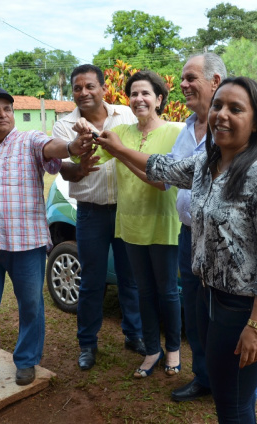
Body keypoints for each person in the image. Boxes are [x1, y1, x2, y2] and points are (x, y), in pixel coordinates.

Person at [87, 77, 257, 423]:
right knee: (226, 394)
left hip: (245, 308)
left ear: (256, 123)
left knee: (235, 402)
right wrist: (118, 148)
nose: (221, 115)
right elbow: (159, 166)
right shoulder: (205, 166)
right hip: (207, 297)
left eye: (235, 109)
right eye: (218, 106)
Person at [0, 85, 97, 393]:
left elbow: (53, 147)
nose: (2, 114)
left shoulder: (28, 140)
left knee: (30, 304)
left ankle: (27, 361)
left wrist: (72, 146)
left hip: (26, 244)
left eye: (7, 109)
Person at [76, 70, 182, 379]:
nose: (139, 99)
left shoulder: (174, 133)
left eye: (146, 93)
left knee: (167, 292)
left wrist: (121, 153)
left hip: (162, 224)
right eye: (134, 94)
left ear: (159, 99)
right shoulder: (122, 131)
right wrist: (82, 136)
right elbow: (92, 155)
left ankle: (173, 348)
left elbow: (163, 179)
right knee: (143, 292)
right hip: (130, 224)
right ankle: (152, 350)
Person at [53, 64, 145, 372]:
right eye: (77, 88)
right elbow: (61, 166)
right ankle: (87, 345)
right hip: (91, 212)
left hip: (125, 209)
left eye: (90, 86)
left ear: (103, 88)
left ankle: (134, 335)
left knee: (130, 278)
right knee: (91, 281)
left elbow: (140, 147)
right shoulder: (65, 125)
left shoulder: (126, 116)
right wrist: (78, 163)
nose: (83, 92)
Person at [168, 53, 225, 402]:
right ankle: (203, 377)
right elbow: (170, 175)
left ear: (214, 81)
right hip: (188, 236)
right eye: (183, 78)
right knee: (195, 314)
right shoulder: (186, 129)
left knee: (222, 317)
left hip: (220, 242)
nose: (183, 85)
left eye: (191, 77)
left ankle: (228, 382)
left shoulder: (233, 129)